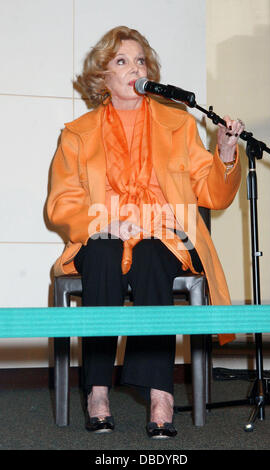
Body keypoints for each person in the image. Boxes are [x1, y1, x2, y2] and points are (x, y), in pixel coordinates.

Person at [47, 25, 244, 438]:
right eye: (122, 61)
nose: (134, 67)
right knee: (102, 252)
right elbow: (60, 205)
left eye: (140, 60)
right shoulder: (77, 134)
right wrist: (105, 223)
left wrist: (225, 153)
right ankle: (97, 390)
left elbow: (212, 192)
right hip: (102, 232)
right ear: (103, 78)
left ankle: (160, 394)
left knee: (154, 255)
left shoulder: (179, 124)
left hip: (163, 235)